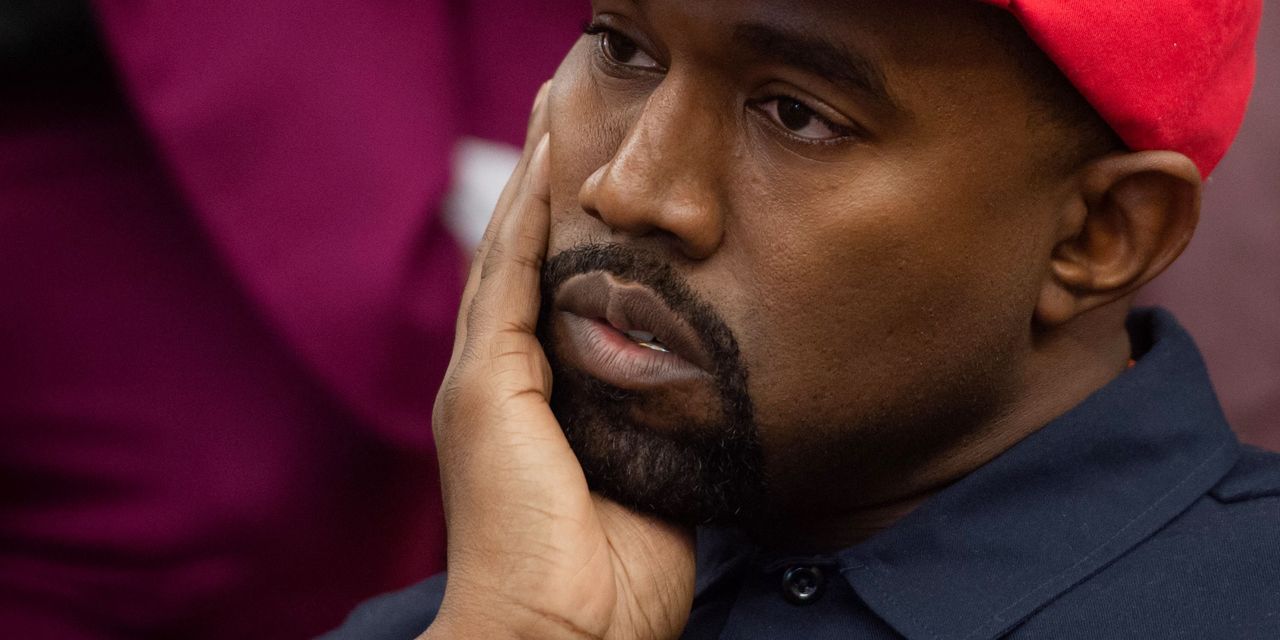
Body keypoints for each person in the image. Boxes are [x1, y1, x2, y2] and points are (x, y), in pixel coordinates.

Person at [326, 0, 1278, 638]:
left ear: (1100, 235)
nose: (630, 187)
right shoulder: (465, 616)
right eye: (621, 48)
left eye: (796, 114)